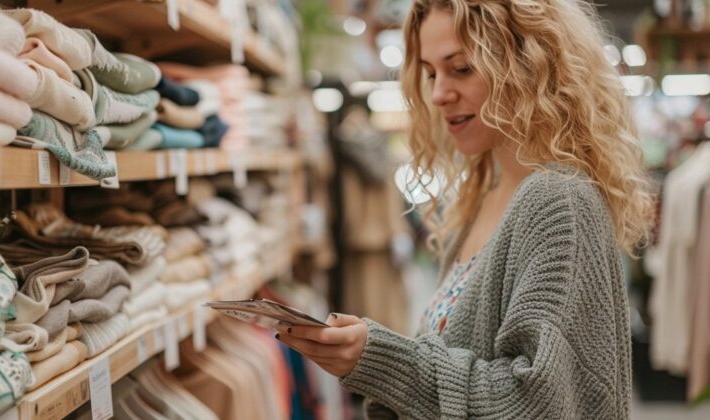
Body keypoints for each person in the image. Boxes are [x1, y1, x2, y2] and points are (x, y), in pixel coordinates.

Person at [276, 0, 654, 418]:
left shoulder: (557, 201)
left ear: (527, 63)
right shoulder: (483, 195)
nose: (439, 94)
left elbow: (536, 404)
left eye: (462, 69)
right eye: (431, 73)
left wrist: (381, 361)